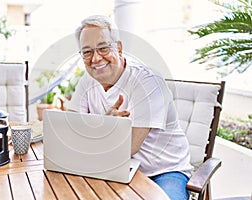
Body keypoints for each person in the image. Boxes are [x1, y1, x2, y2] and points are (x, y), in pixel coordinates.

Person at [65, 15, 193, 200]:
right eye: (87, 52)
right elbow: (71, 129)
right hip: (112, 169)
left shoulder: (148, 82)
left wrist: (100, 130)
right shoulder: (87, 81)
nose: (96, 58)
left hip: (162, 172)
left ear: (119, 48)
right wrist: (104, 126)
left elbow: (128, 147)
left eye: (103, 48)